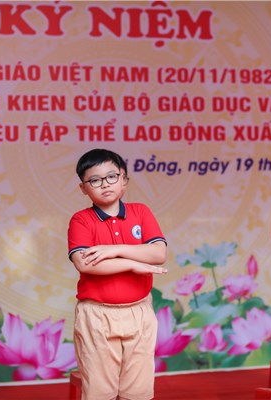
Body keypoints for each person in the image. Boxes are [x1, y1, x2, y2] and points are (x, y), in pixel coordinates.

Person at [67, 149, 168, 400]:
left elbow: (158, 253)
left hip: (139, 311)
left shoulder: (141, 212)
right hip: (97, 314)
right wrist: (132, 264)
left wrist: (115, 250)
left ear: (124, 180)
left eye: (112, 176)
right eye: (95, 180)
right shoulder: (81, 220)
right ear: (83, 188)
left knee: (138, 391)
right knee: (100, 391)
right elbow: (85, 264)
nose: (105, 184)